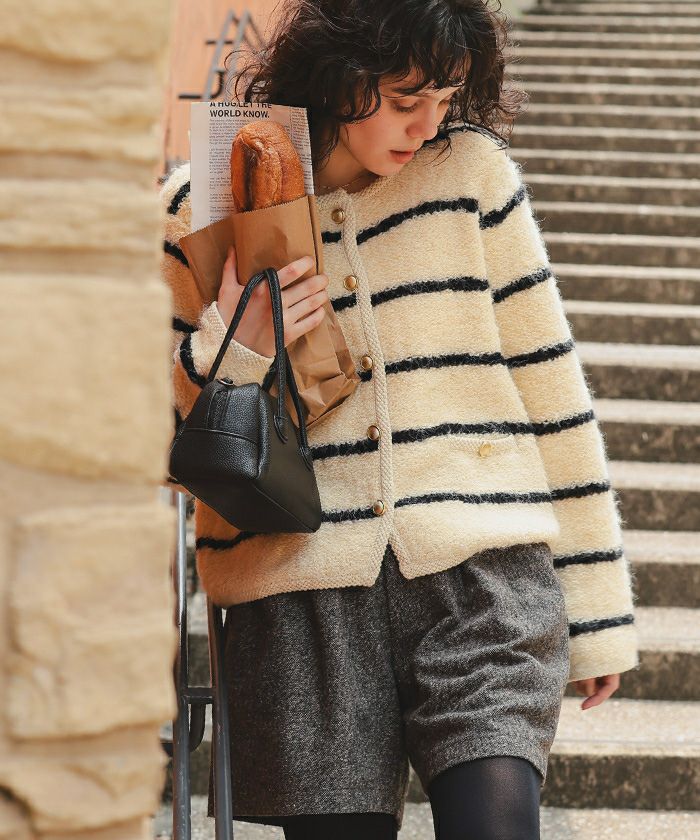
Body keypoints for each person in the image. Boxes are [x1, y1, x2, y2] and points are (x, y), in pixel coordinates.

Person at [160, 1, 640, 837]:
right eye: (404, 98)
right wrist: (237, 341)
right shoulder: (203, 203)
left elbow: (552, 388)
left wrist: (596, 610)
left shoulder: (473, 176)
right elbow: (147, 438)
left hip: (482, 577)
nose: (428, 125)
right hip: (298, 592)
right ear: (339, 74)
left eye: (446, 99)